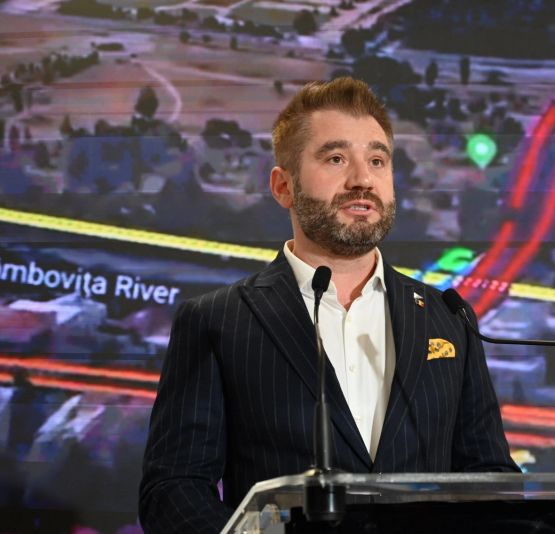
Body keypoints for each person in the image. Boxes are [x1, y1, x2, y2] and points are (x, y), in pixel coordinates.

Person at [138, 77, 518, 534]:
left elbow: (490, 477)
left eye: (377, 160)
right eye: (336, 158)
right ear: (283, 186)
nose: (362, 179)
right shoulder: (218, 321)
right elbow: (174, 490)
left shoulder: (449, 317)